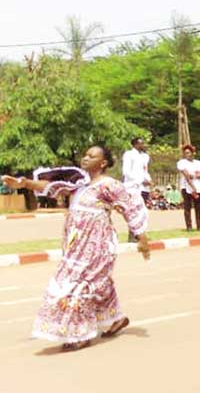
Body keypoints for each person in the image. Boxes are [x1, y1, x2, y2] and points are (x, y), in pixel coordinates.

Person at [2, 146, 151, 351]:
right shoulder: (79, 184)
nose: (85, 158)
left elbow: (130, 209)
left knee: (76, 286)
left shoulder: (109, 185)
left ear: (103, 163)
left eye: (92, 156)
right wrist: (24, 183)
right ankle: (117, 319)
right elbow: (51, 186)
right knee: (97, 285)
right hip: (75, 246)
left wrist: (142, 239)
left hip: (97, 246)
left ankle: (81, 333)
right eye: (85, 155)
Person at [176, 145, 200, 231]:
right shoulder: (181, 162)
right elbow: (186, 175)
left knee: (198, 207)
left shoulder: (198, 163)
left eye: (189, 152)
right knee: (187, 207)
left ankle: (199, 225)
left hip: (199, 187)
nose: (187, 154)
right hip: (186, 188)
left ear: (193, 153)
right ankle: (189, 226)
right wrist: (193, 187)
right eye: (185, 153)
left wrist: (194, 175)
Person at [121, 137, 152, 208]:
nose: (143, 145)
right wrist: (141, 181)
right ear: (135, 145)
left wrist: (149, 180)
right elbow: (126, 171)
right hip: (133, 186)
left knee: (142, 209)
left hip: (144, 187)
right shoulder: (129, 154)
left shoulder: (145, 156)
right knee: (133, 209)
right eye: (141, 143)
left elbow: (145, 170)